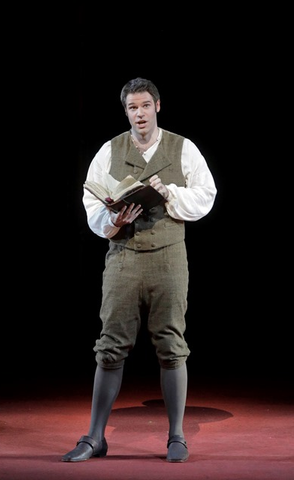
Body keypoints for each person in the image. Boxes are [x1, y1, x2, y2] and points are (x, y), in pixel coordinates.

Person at [62, 77, 217, 463]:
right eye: (132, 107)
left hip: (168, 256)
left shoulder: (183, 148)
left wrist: (170, 193)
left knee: (171, 343)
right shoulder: (109, 150)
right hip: (123, 255)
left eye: (145, 105)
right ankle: (96, 436)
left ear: (157, 107)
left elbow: (206, 195)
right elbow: (92, 199)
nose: (139, 113)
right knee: (110, 343)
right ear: (126, 111)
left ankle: (177, 436)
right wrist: (113, 220)